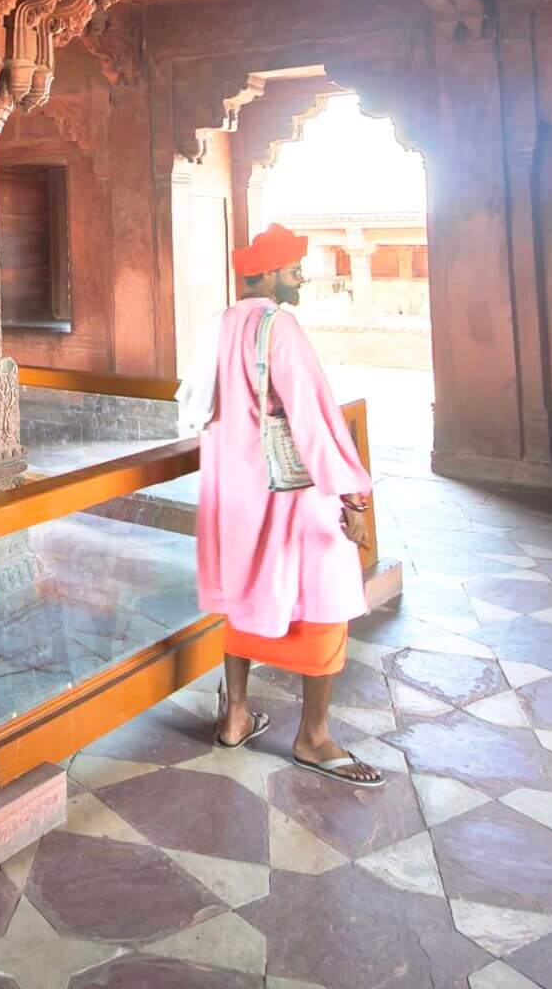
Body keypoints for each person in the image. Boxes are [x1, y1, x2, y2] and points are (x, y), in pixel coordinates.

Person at [178, 221, 384, 786]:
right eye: (294, 270)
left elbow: (197, 404)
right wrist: (354, 496)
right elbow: (313, 417)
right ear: (267, 274)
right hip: (287, 491)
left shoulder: (221, 324)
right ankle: (314, 738)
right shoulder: (280, 325)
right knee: (327, 591)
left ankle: (236, 718)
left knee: (242, 591)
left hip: (231, 491)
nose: (300, 279)